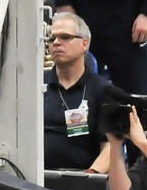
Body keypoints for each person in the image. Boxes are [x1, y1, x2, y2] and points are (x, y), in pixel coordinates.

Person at [43, 12, 111, 171]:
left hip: (80, 180)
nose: (56, 43)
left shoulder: (103, 91)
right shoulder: (34, 84)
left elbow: (110, 149)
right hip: (31, 179)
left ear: (85, 44)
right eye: (52, 39)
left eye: (65, 37)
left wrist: (89, 177)